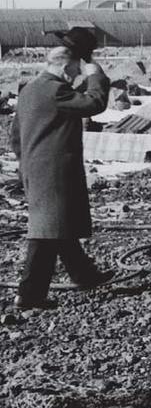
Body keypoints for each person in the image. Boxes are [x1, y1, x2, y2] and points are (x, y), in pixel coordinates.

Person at [11, 45, 111, 309]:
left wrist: (26, 164)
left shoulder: (29, 89)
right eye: (75, 71)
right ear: (65, 68)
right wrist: (96, 74)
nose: (75, 76)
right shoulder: (55, 90)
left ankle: (84, 276)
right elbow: (94, 103)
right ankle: (29, 295)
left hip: (36, 170)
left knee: (58, 224)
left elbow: (15, 136)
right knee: (46, 232)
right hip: (53, 172)